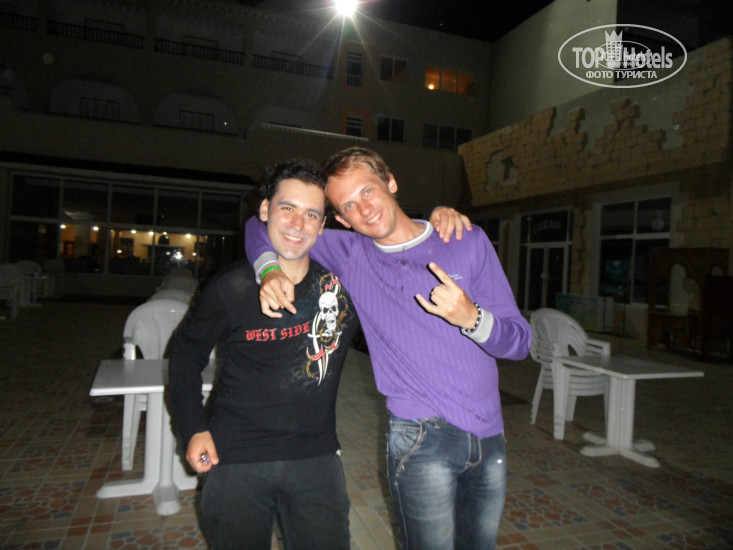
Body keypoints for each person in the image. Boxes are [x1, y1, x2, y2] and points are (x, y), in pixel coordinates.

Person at [245, 147, 532, 550]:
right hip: (420, 440)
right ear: (341, 220)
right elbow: (260, 225)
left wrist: (472, 318)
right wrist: (269, 270)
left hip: (489, 435)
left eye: (368, 190)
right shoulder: (351, 255)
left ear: (391, 182)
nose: (363, 209)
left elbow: (520, 343)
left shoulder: (464, 238)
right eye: (348, 205)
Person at [168, 159, 359, 550]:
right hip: (236, 455)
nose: (298, 224)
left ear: (323, 225)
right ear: (265, 210)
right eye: (287, 208)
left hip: (315, 457)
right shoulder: (231, 288)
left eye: (311, 214)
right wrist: (193, 427)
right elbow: (185, 355)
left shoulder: (343, 288)